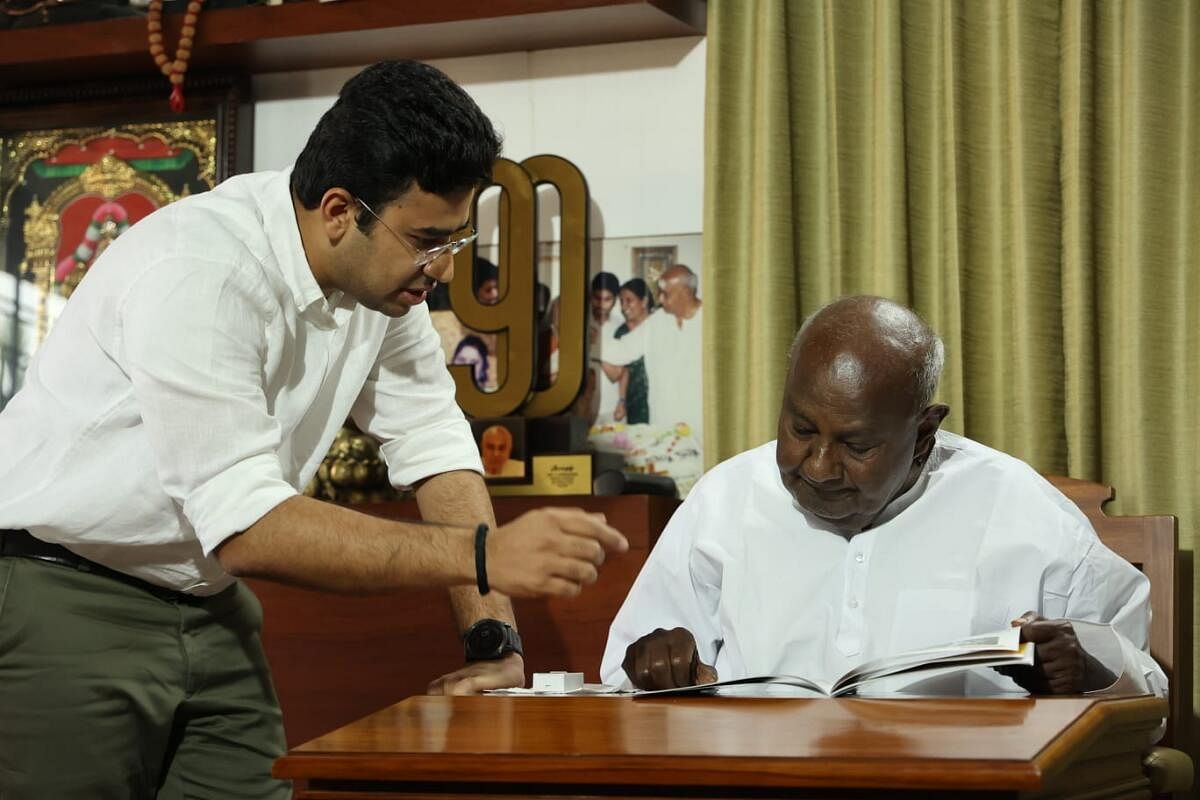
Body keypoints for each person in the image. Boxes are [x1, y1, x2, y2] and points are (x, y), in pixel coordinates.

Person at [0, 60, 628, 799]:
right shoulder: (200, 271)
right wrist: (484, 555)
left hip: (208, 602)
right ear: (338, 211)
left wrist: (492, 635)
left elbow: (431, 442)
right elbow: (250, 526)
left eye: (455, 242)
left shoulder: (380, 285)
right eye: (430, 240)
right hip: (60, 592)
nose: (444, 271)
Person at [601, 296, 1166, 706]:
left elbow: (1147, 689)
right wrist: (651, 663)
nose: (818, 466)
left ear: (924, 434)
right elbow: (625, 672)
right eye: (800, 429)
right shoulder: (725, 499)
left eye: (856, 444)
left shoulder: (1021, 509)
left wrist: (1086, 666)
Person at [601, 264, 703, 439]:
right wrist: (588, 343)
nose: (660, 300)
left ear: (685, 293)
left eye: (665, 294)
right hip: (664, 426)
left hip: (700, 426)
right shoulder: (656, 323)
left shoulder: (713, 321)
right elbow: (622, 350)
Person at [605, 277, 652, 424]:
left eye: (629, 300)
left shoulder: (658, 325)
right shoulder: (621, 332)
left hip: (659, 397)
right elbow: (623, 371)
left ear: (644, 302)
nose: (624, 306)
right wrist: (622, 401)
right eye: (621, 301)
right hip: (634, 400)